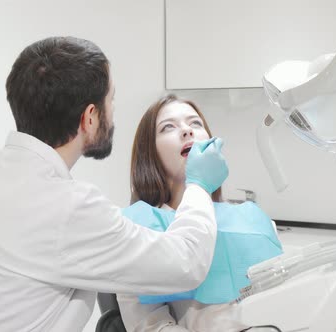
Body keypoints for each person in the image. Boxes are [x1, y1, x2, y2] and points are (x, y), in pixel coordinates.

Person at [0, 37, 229, 332]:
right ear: (90, 118)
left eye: (194, 123)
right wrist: (199, 184)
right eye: (111, 99)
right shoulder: (67, 207)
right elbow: (185, 264)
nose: (114, 110)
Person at [117, 95, 283, 332]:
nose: (187, 131)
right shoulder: (137, 228)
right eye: (168, 127)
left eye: (195, 123)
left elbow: (283, 299)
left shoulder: (256, 220)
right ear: (150, 153)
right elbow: (151, 326)